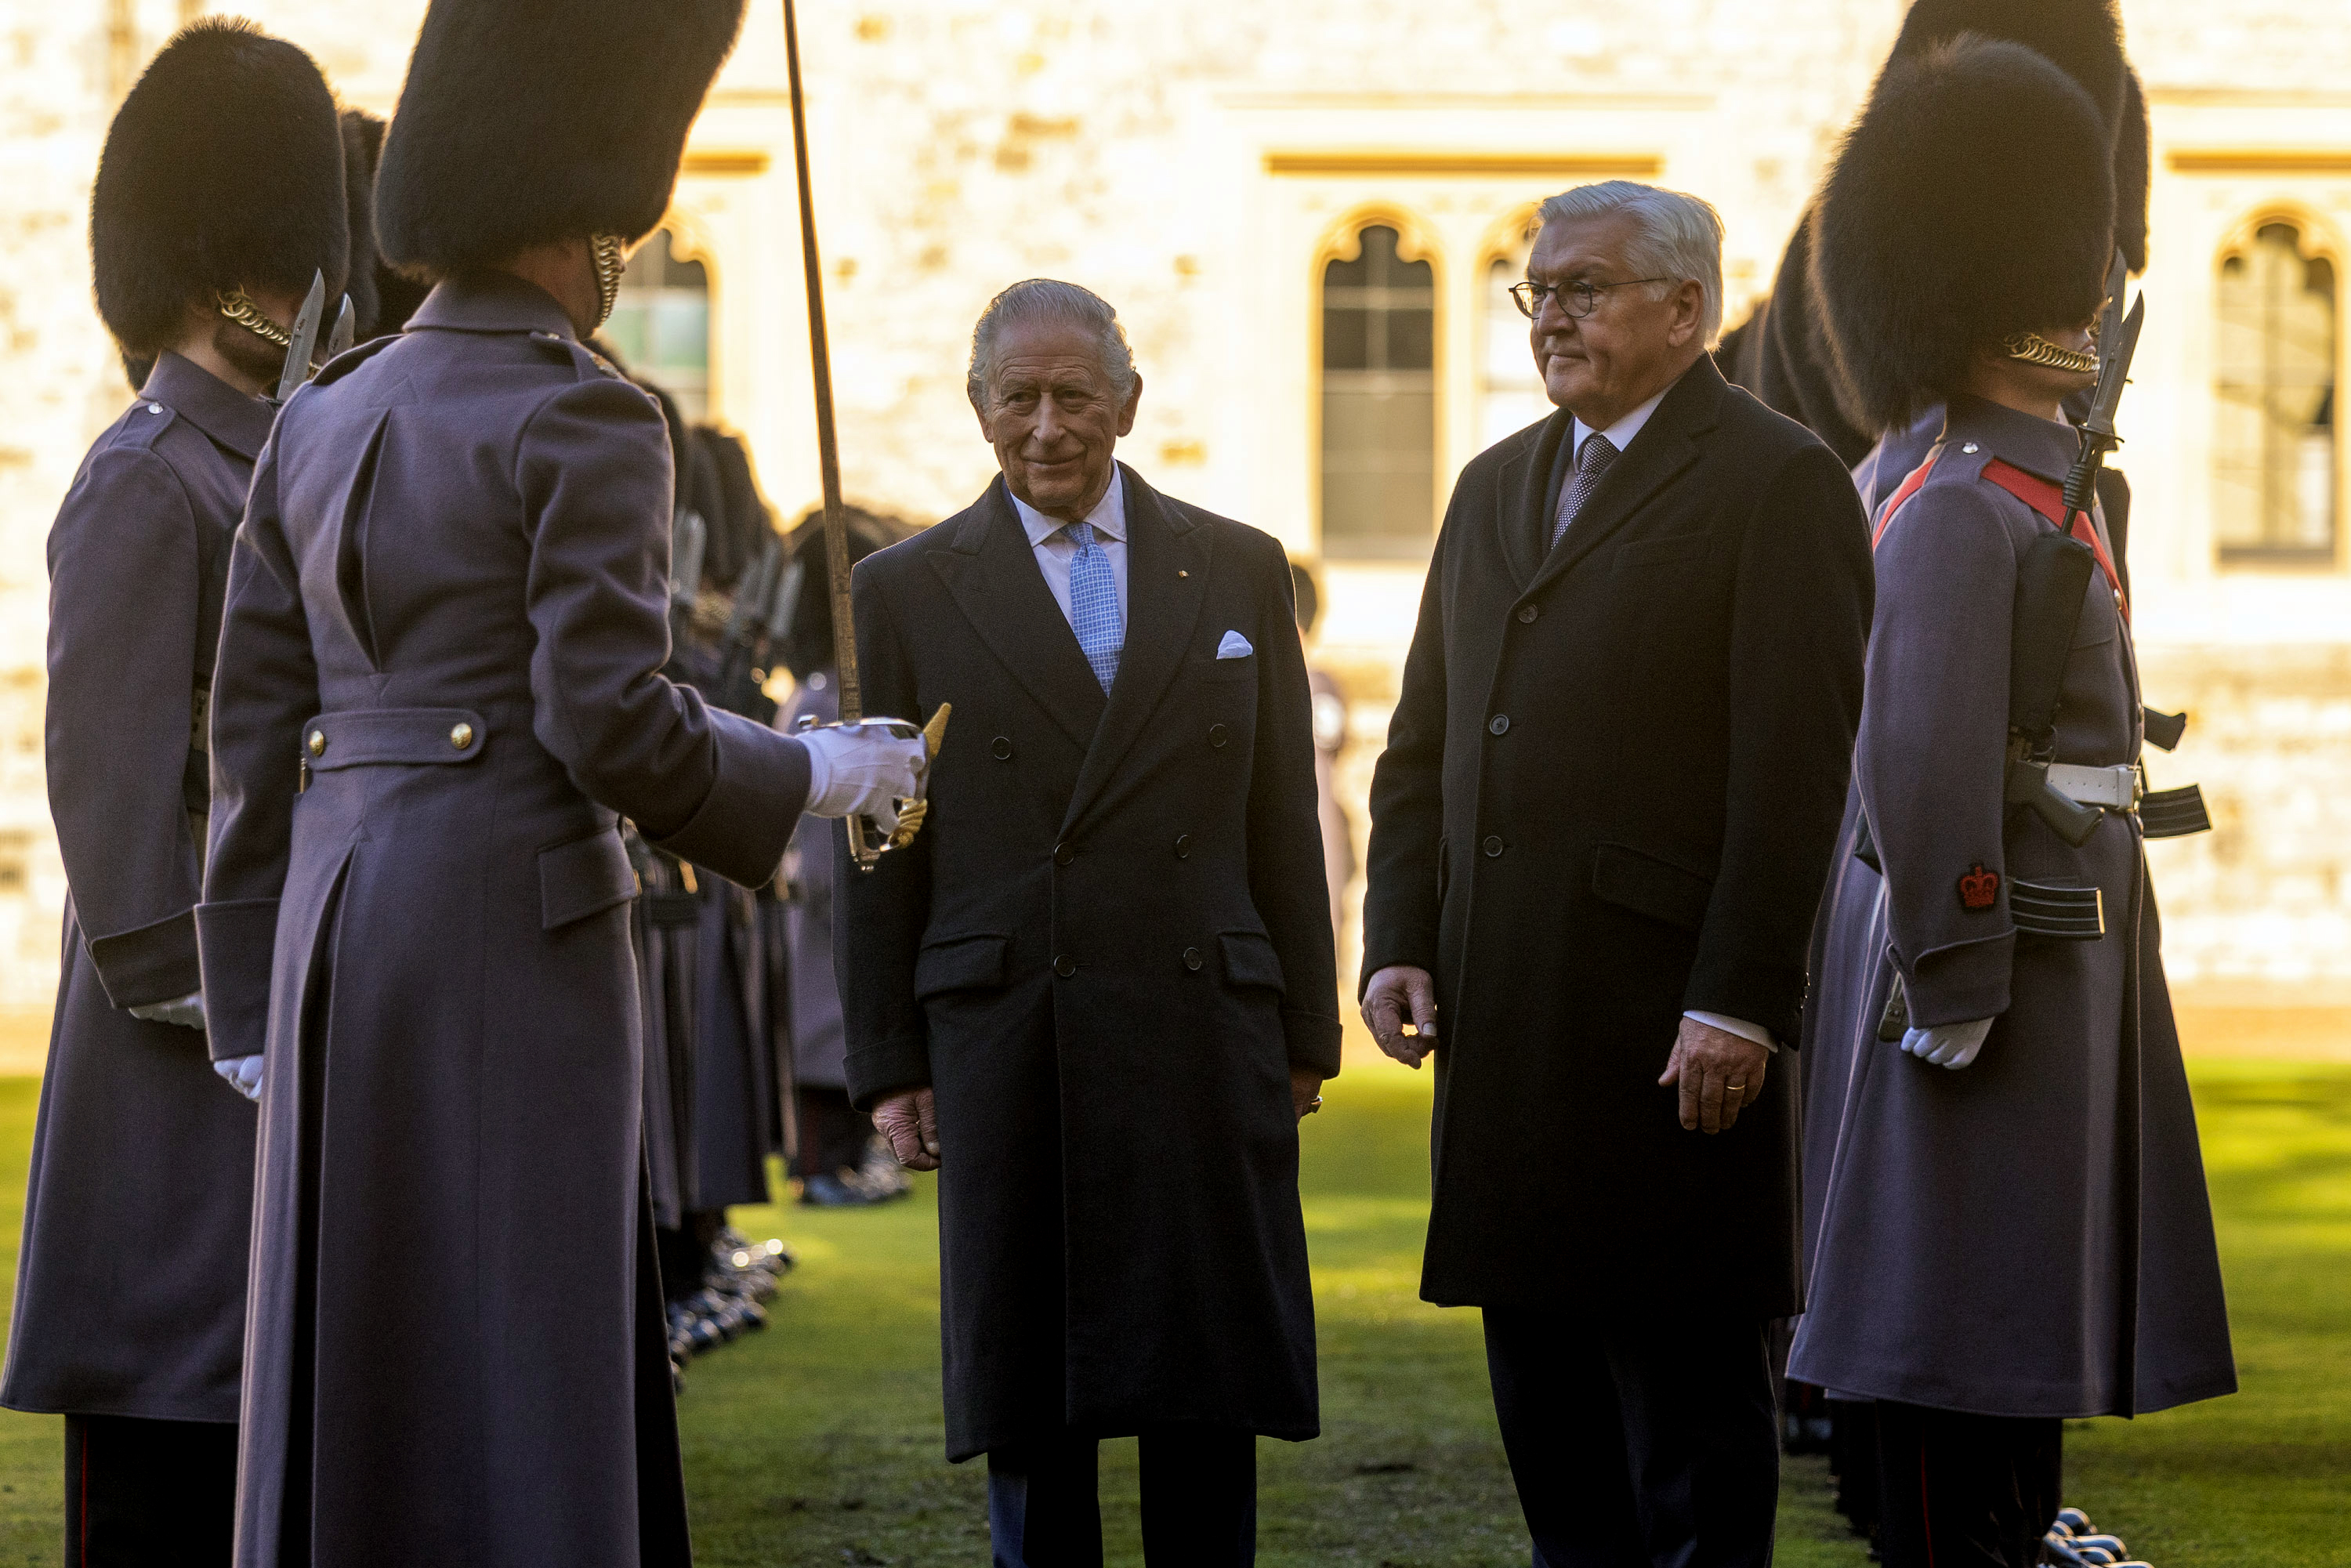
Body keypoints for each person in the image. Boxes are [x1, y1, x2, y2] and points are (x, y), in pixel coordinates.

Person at [193, 1, 929, 1561]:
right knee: (529, 1331)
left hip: (334, 933)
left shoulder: (318, 413)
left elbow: (252, 730)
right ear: (580, 223)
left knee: (359, 1326)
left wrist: (252, 993)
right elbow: (611, 724)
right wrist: (823, 771)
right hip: (517, 923)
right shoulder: (591, 412)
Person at [1359, 181, 1872, 1567]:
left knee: (1694, 1445)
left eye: (1584, 289)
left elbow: (1794, 780)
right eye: (1541, 293)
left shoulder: (1779, 482)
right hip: (1507, 1027)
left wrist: (1743, 1003)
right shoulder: (1491, 487)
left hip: (1669, 1037)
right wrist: (1399, 935)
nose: (1552, 319)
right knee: (1552, 1433)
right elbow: (1423, 748)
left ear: (1686, 309)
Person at [1788, 35, 2236, 1568]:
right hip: (1993, 959)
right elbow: (1919, 759)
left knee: (2007, 1308)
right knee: (1946, 1319)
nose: (2103, 297)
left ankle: (2012, 1527)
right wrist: (1965, 965)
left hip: (2052, 946)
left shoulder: (2012, 479)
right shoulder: (1964, 505)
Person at [838, 278, 1339, 1566]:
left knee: (1204, 1391)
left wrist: (1301, 1029)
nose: (1048, 427)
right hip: (1013, 1030)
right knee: (1035, 1414)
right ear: (978, 407)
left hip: (1197, 1021)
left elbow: (1283, 812)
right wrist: (891, 1062)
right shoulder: (899, 591)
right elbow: (878, 842)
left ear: (1128, 401)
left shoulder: (1235, 563)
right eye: (1020, 399)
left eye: (1075, 397)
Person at [0, 23, 347, 1564]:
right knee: (160, 1495)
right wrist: (237, 1020)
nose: (320, 300)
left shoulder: (276, 467)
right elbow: (121, 825)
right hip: (180, 1082)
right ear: (229, 278)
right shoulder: (149, 475)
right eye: (295, 269)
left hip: (272, 1042)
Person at [773, 506, 924, 1208]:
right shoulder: (819, 694)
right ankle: (819, 1164)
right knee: (818, 1029)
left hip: (844, 878)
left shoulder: (838, 687)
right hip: (820, 885)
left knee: (842, 1020)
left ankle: (843, 1155)